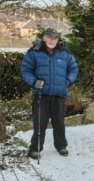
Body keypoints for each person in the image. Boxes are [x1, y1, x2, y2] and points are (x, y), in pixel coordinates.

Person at [22, 28, 78, 159]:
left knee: (59, 122)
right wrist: (34, 82)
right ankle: (35, 149)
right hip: (41, 94)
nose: (53, 41)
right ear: (44, 38)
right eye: (50, 38)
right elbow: (26, 71)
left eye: (55, 38)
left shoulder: (65, 53)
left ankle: (61, 146)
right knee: (40, 123)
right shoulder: (33, 53)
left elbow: (73, 69)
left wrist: (68, 80)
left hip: (59, 94)